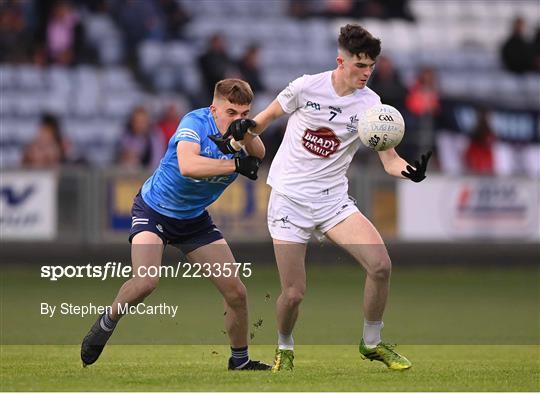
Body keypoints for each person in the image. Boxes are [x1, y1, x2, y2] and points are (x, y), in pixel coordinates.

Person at [211, 24, 431, 372]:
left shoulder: (372, 105)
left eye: (371, 66)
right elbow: (262, 120)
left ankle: (371, 343)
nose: (366, 73)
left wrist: (407, 171)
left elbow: (390, 159)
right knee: (294, 293)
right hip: (289, 200)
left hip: (333, 203)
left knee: (381, 266)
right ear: (340, 61)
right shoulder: (306, 86)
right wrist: (242, 131)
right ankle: (284, 345)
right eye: (360, 65)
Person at [80, 79, 271, 371]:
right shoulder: (195, 122)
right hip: (154, 210)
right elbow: (188, 166)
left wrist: (246, 133)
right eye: (231, 112)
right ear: (213, 108)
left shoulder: (241, 130)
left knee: (236, 292)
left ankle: (240, 362)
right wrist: (234, 165)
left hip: (193, 220)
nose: (238, 119)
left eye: (244, 113)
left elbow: (259, 153)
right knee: (146, 281)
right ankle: (108, 321)